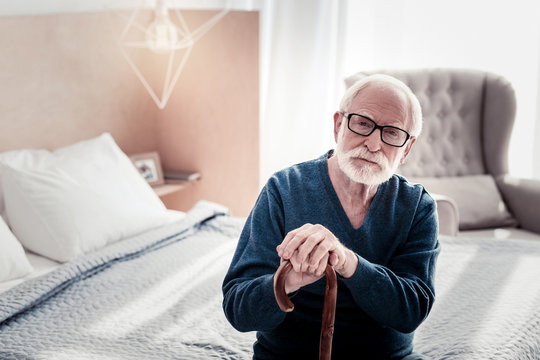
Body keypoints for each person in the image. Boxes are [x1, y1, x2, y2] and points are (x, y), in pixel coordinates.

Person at [222, 74, 440, 359]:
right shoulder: (283, 189)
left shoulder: (417, 206)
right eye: (362, 123)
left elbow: (411, 312)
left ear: (407, 148)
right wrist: (287, 281)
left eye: (392, 133)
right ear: (338, 125)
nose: (373, 144)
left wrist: (348, 262)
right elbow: (239, 311)